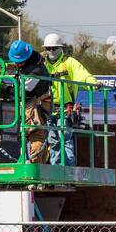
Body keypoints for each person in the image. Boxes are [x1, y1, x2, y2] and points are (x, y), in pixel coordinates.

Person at [41, 34, 98, 167]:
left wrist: (93, 83)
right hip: (48, 109)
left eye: (54, 48)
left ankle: (68, 169)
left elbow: (83, 75)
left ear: (61, 49)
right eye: (48, 49)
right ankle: (56, 170)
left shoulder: (69, 63)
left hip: (66, 109)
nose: (51, 51)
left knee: (65, 139)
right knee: (53, 141)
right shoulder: (43, 64)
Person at [6, 40, 52, 163]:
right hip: (29, 105)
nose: (18, 64)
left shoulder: (35, 71)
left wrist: (6, 89)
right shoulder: (27, 65)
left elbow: (23, 91)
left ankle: (36, 166)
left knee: (36, 134)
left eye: (20, 62)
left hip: (37, 107)